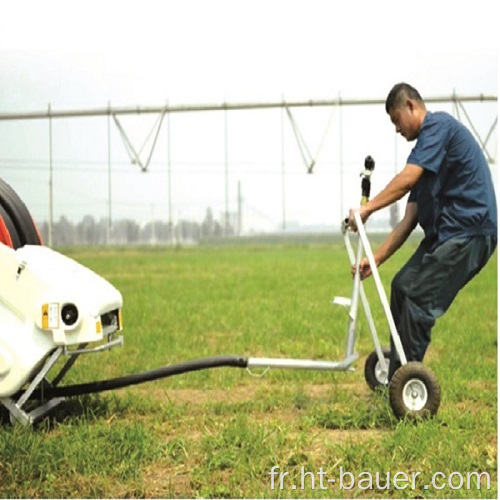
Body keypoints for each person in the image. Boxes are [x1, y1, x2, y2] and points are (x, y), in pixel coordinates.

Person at [348, 82, 497, 381]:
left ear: (411, 106)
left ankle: (407, 386)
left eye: (396, 120)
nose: (396, 129)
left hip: (469, 231)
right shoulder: (424, 154)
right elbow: (408, 220)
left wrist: (368, 208)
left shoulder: (438, 128)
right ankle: (398, 377)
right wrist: (375, 260)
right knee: (402, 287)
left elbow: (405, 180)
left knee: (417, 300)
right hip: (447, 235)